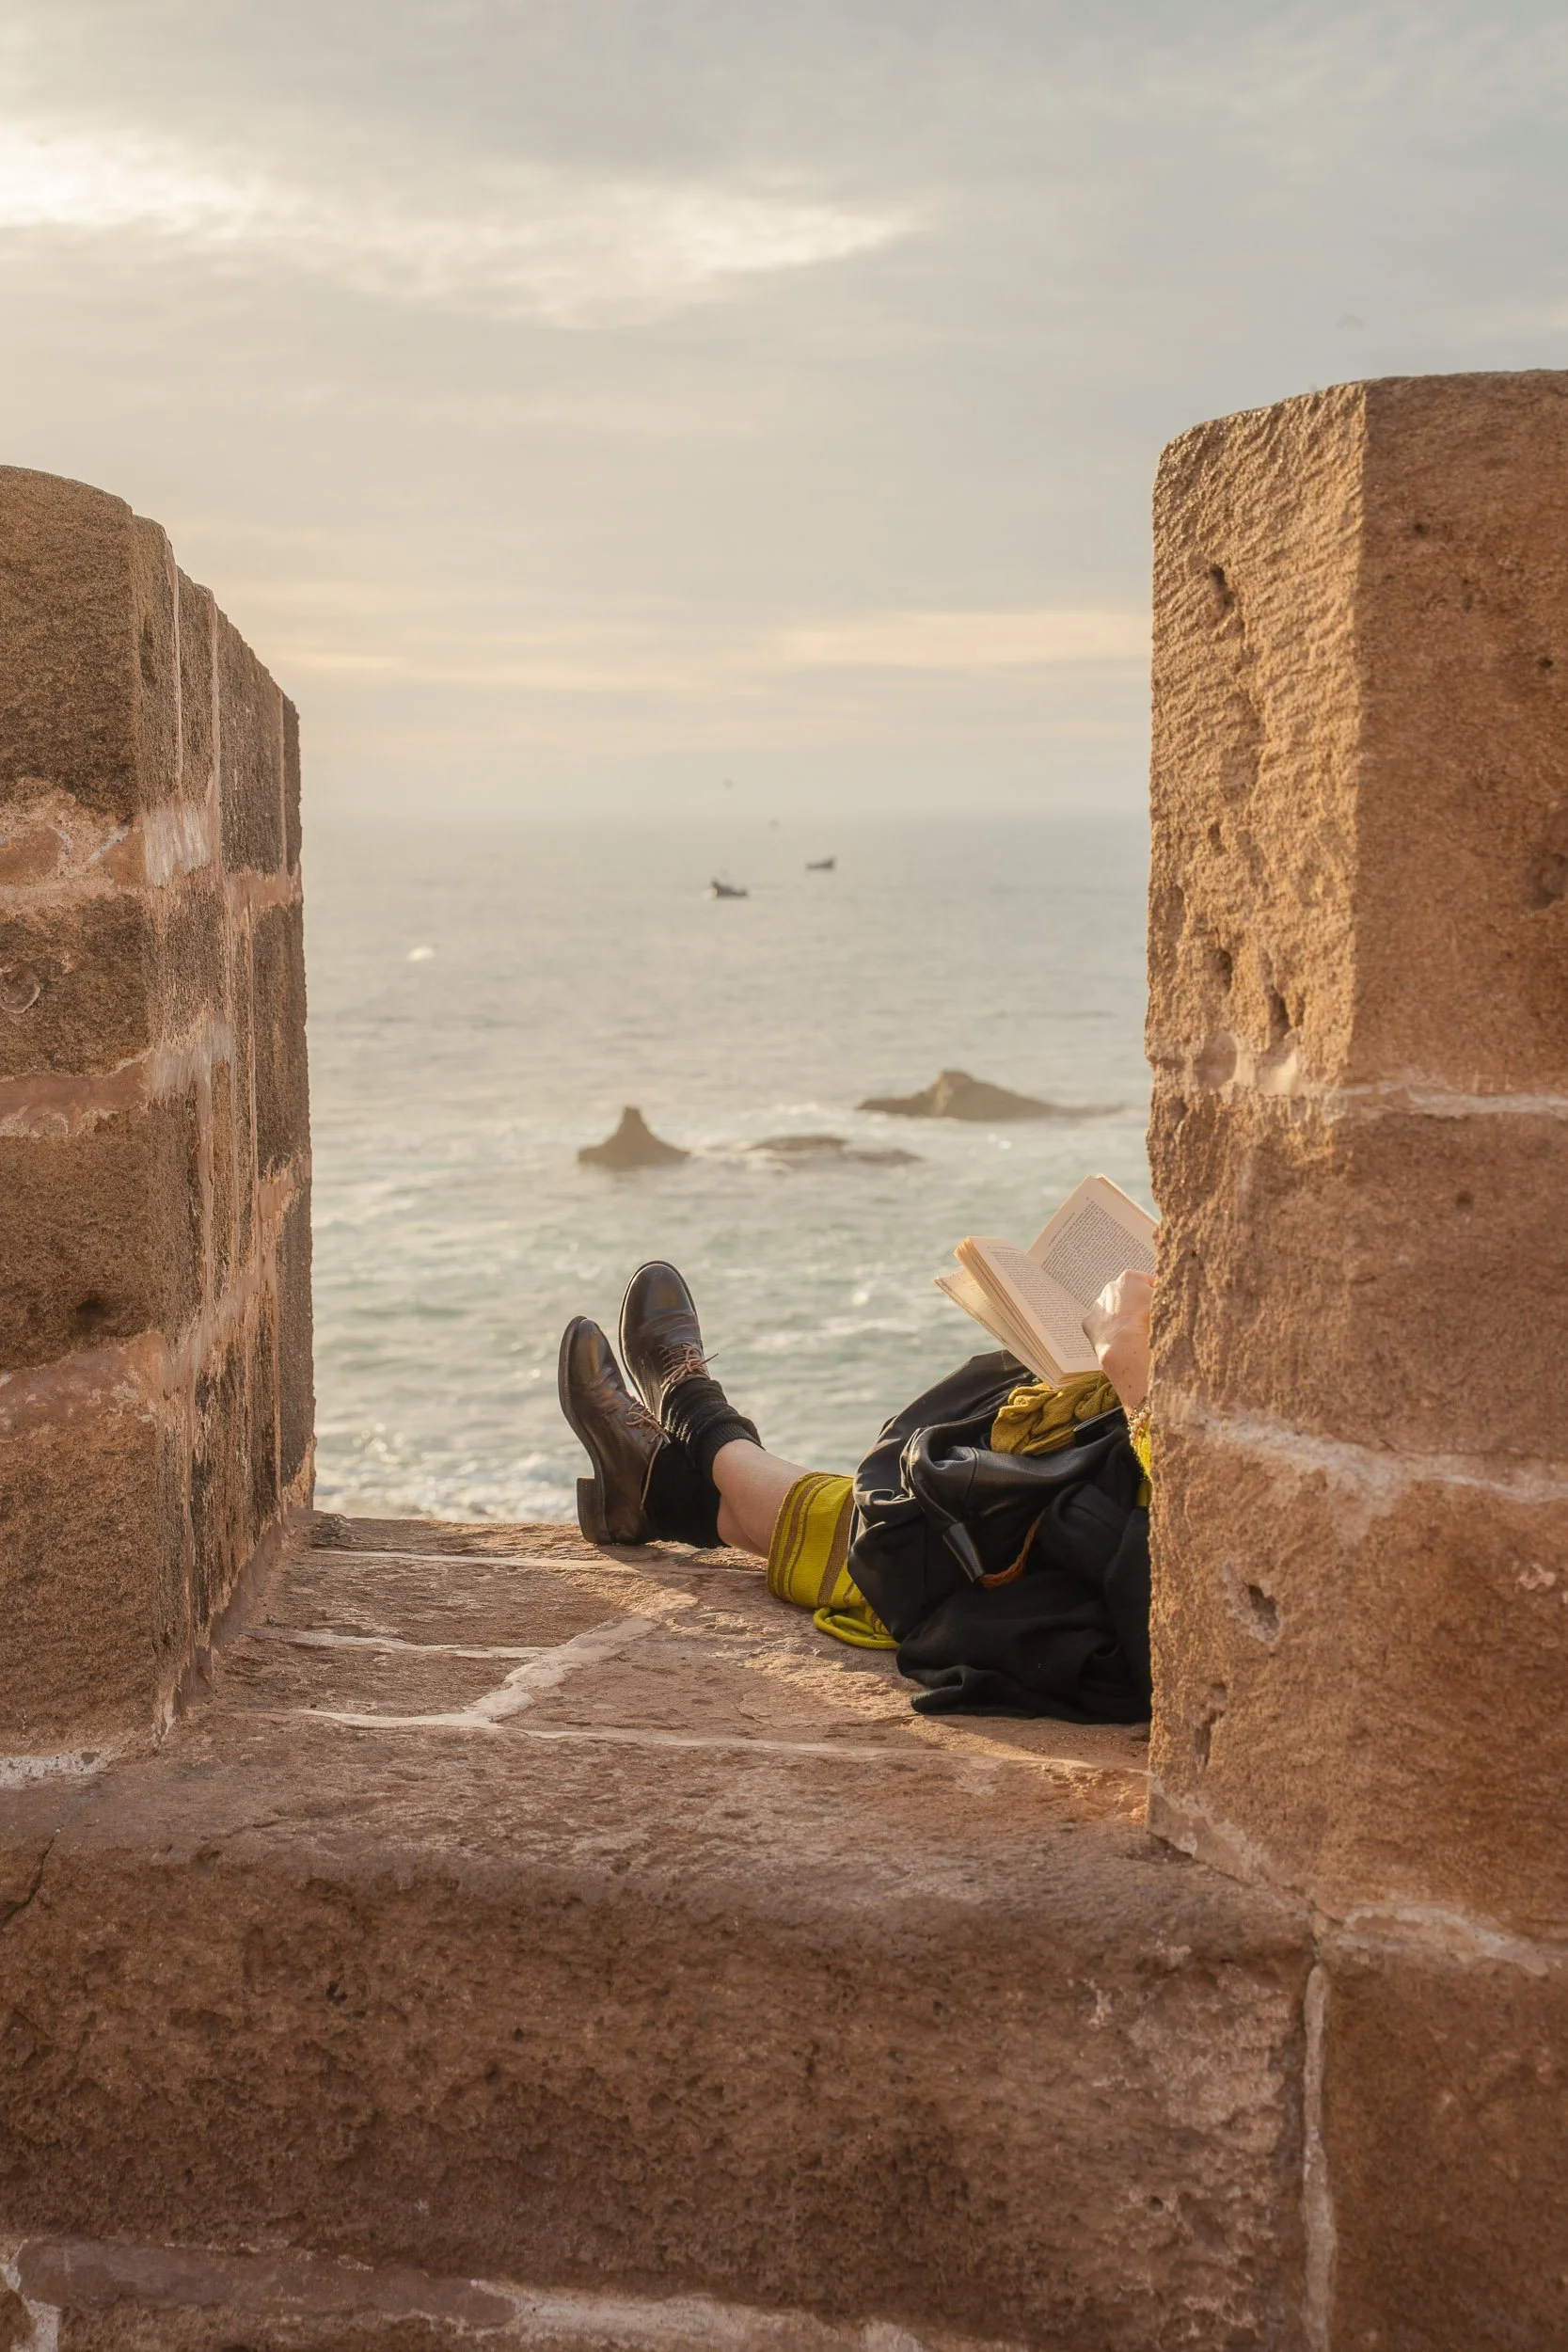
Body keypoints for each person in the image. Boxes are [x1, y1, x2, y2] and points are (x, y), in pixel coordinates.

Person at [558, 1262, 1155, 1723]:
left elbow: (1193, 1536)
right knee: (994, 1478)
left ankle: (694, 1423)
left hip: (1115, 1597)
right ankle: (664, 1489)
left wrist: (1133, 1373)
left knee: (935, 1529)